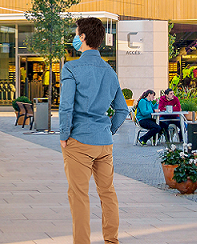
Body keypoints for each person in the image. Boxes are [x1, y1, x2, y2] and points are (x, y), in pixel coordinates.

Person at [58, 17, 130, 244]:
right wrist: (108, 130)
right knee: (107, 193)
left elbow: (66, 106)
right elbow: (122, 109)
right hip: (104, 142)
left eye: (76, 33)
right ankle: (112, 241)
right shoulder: (109, 71)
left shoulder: (71, 67)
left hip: (79, 140)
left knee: (79, 196)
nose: (74, 37)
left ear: (83, 37)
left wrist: (63, 135)